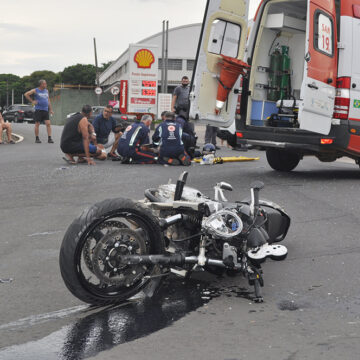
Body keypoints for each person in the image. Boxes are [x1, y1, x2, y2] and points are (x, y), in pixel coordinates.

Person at [24, 79, 54, 144]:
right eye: (44, 84)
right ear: (41, 84)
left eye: (46, 83)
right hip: (38, 109)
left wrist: (51, 109)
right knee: (37, 124)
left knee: (48, 124)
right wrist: (32, 101)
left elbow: (48, 100)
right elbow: (26, 94)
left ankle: (49, 138)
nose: (46, 85)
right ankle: (37, 138)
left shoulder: (46, 91)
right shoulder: (35, 90)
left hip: (45, 109)